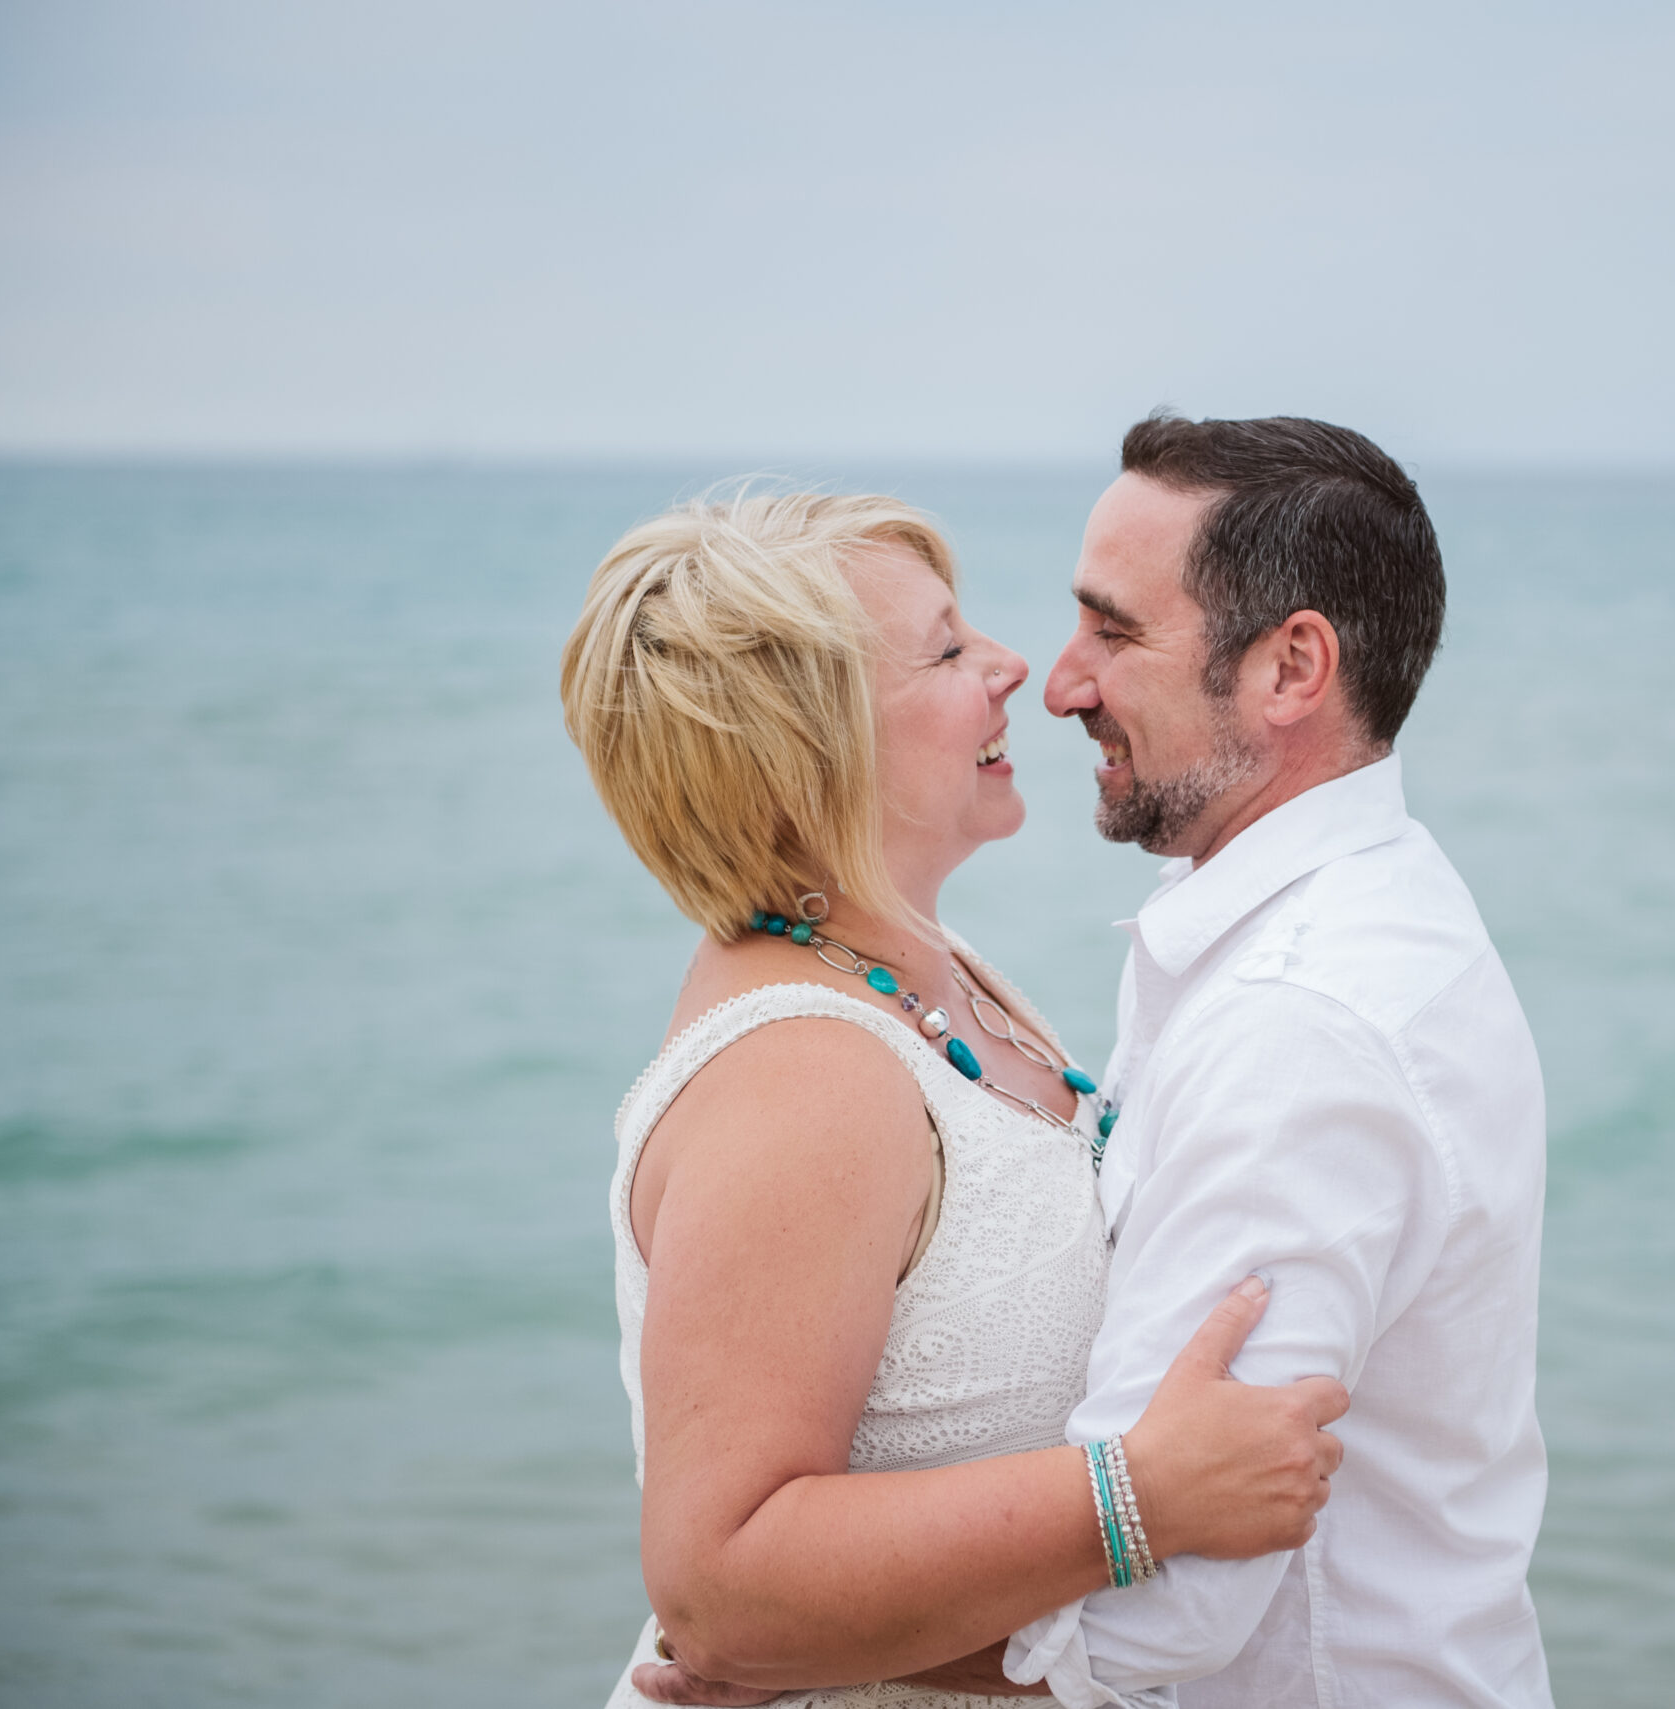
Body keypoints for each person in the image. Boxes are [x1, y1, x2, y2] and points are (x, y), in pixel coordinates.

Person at [641, 414, 1553, 1709]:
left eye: (1115, 632)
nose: (1055, 680)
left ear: (1293, 666)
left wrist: (781, 1650)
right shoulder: (1240, 935)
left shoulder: (1294, 1021)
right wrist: (757, 1619)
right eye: (960, 647)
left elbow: (1167, 1612)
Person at [560, 489, 1351, 1709]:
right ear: (809, 746)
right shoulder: (802, 1078)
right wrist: (1141, 1496)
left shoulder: (934, 972)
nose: (1012, 665)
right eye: (944, 648)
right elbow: (720, 1589)